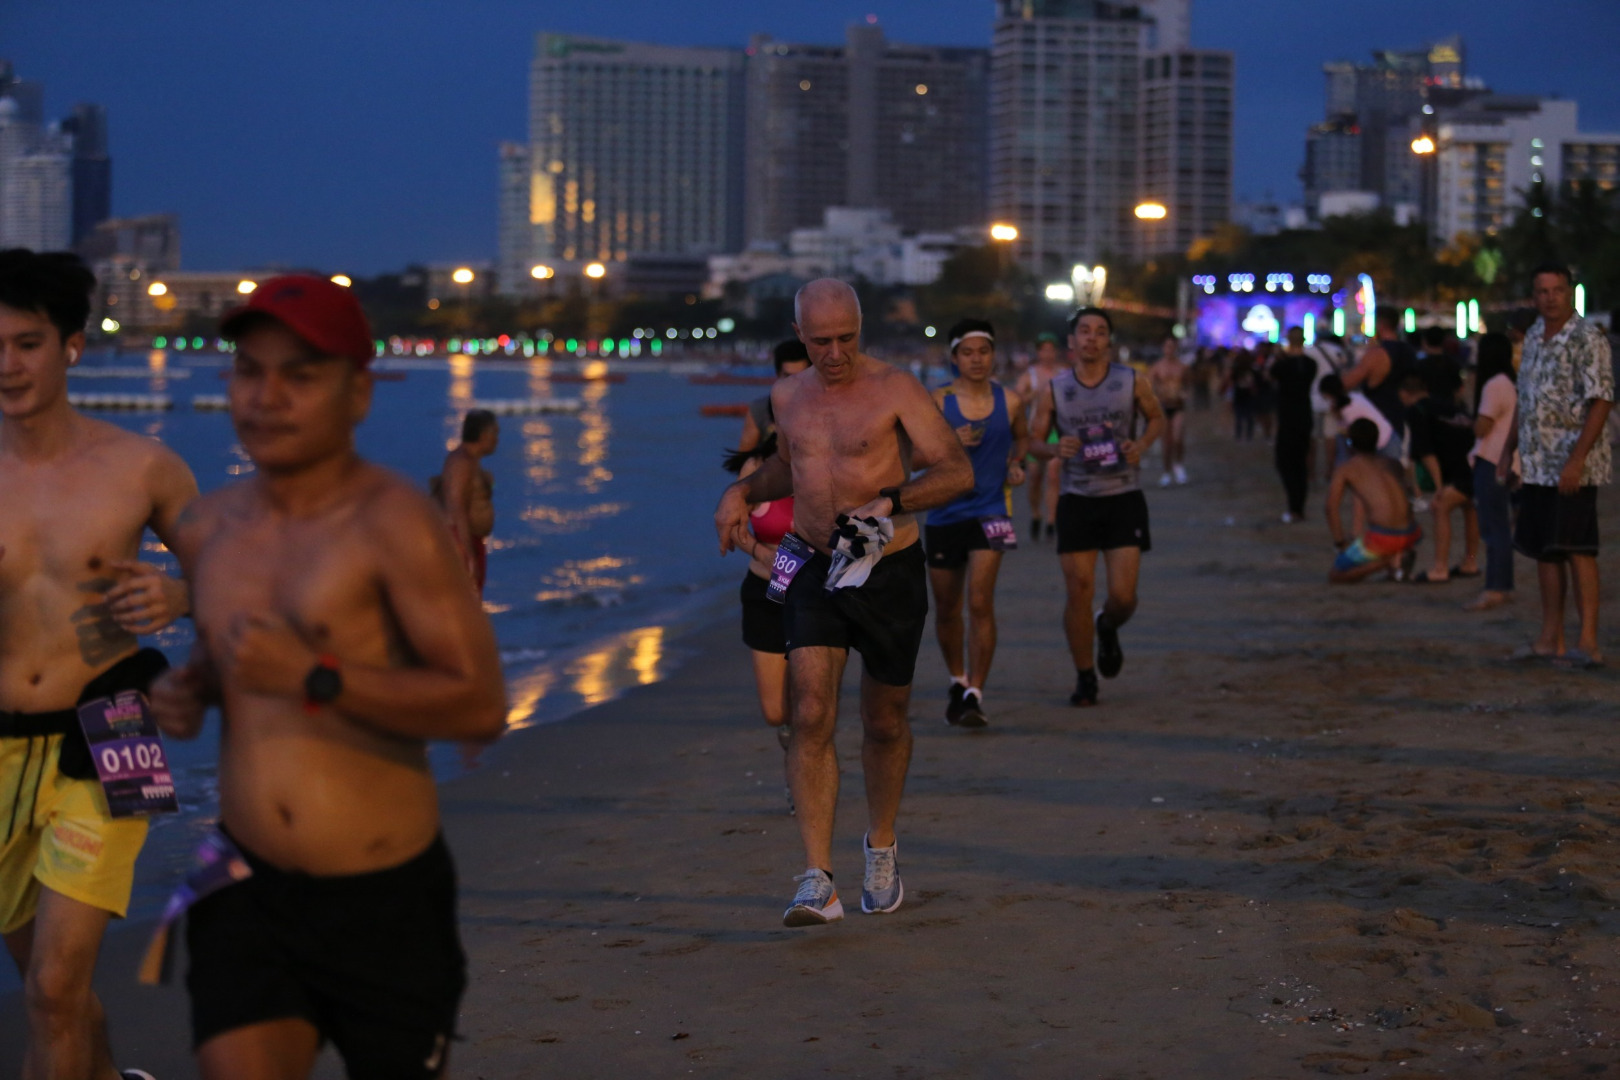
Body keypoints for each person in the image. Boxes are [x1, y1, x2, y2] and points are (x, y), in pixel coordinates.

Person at [148, 275, 507, 1077]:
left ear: (358, 395)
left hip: (381, 899)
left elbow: (480, 704)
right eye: (249, 370)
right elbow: (229, 661)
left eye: (300, 375)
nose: (267, 396)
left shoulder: (394, 525)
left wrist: (318, 677)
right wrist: (192, 689)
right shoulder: (208, 527)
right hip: (240, 881)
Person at [713, 279, 971, 927]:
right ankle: (816, 879)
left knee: (883, 722)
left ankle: (880, 846)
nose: (834, 353)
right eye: (821, 340)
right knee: (809, 711)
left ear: (862, 329)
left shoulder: (896, 389)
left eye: (846, 338)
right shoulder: (786, 396)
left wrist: (892, 499)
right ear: (800, 334)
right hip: (814, 563)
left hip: (887, 568)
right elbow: (789, 470)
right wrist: (739, 494)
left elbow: (954, 470)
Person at [0, 249, 198, 1080]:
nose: (6, 364)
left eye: (27, 342)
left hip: (113, 728)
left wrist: (179, 599)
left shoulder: (140, 467)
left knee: (51, 988)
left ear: (72, 347)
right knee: (57, 993)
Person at [1031, 307, 1165, 708]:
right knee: (1079, 590)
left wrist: (1140, 445)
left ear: (1110, 341)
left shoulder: (1131, 381)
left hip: (1123, 495)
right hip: (1076, 498)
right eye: (1084, 332)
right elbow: (1033, 444)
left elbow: (1156, 418)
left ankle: (1107, 626)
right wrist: (1055, 448)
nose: (1091, 338)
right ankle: (1085, 677)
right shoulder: (1054, 388)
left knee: (1124, 597)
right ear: (1071, 341)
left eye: (1100, 332)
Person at [1497, 264, 1615, 667]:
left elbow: (1601, 400)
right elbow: (1524, 400)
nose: (1550, 297)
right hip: (1536, 463)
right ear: (1534, 296)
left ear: (1570, 293)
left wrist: (1577, 460)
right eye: (1542, 291)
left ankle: (1588, 642)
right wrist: (1508, 451)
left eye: (1557, 290)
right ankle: (1550, 639)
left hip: (1572, 464)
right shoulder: (1532, 336)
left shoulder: (1588, 339)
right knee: (1544, 551)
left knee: (1578, 549)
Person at [925, 319, 1029, 728]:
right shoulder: (937, 402)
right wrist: (951, 445)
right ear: (954, 358)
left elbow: (1026, 439)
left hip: (993, 512)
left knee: (981, 601)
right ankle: (956, 677)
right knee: (948, 607)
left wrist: (1018, 464)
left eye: (983, 352)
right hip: (944, 514)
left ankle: (975, 692)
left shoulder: (1012, 400)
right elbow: (916, 452)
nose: (976, 360)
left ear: (993, 355)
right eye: (967, 353)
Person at [722, 429, 796, 807]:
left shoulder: (827, 459)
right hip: (766, 590)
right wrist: (758, 551)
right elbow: (732, 525)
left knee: (813, 701)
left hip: (818, 595)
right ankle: (797, 749)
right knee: (776, 711)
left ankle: (803, 774)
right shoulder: (755, 468)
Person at [1400, 375, 1479, 584]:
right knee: (1471, 510)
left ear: (1404, 393)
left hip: (1456, 471)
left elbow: (1426, 452)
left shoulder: (1416, 411)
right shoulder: (1449, 407)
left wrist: (1439, 487)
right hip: (1475, 466)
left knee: (1441, 507)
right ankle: (1470, 563)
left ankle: (1440, 568)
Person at [1327, 418, 1423, 583]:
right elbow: (1408, 495)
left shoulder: (1346, 469)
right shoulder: (1392, 463)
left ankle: (1388, 562)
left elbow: (1330, 508)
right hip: (1412, 533)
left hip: (1383, 538)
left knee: (1336, 574)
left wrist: (1340, 543)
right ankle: (1399, 557)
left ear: (1351, 442)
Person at [1466, 332, 1518, 612]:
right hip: (1503, 460)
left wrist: (1470, 423)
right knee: (1500, 526)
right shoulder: (1508, 382)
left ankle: (1496, 588)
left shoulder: (1493, 385)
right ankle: (1503, 585)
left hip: (1491, 459)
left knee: (1492, 527)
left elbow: (1482, 426)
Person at [435, 408, 499, 595]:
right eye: (495, 433)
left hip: (472, 539)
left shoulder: (472, 462)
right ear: (484, 434)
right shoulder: (461, 462)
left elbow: (481, 496)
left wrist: (491, 484)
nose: (497, 439)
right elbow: (456, 507)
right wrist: (467, 554)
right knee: (466, 600)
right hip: (462, 540)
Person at [1014, 332, 1064, 538]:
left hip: (1057, 430)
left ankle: (1052, 519)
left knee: (1053, 474)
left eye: (1051, 350)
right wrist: (1033, 394)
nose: (1048, 354)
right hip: (1034, 430)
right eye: (1044, 350)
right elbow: (1015, 402)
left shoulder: (1064, 374)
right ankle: (1036, 514)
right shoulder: (1029, 376)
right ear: (1038, 352)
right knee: (1035, 476)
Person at [1342, 307, 1416, 440]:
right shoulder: (1409, 351)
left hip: (1378, 422)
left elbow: (1347, 383)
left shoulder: (1377, 354)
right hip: (1402, 419)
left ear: (1380, 323)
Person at [1271, 327, 1318, 523]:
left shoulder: (1282, 366)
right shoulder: (1311, 365)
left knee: (1285, 462)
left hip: (1287, 417)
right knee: (1300, 463)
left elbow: (1272, 376)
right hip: (1305, 416)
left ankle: (1294, 506)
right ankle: (1298, 507)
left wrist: (1280, 357)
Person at [737, 339, 811, 454]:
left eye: (801, 376)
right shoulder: (761, 409)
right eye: (788, 376)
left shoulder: (825, 409)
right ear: (778, 374)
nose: (794, 382)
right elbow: (743, 460)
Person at [1306, 332, 1349, 483]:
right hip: (1332, 397)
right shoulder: (1337, 350)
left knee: (1312, 438)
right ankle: (1330, 471)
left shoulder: (1308, 351)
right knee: (1330, 437)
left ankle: (1311, 473)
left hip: (1312, 398)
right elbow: (1344, 370)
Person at [1148, 337, 1190, 486]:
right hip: (1163, 407)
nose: (1169, 349)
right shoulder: (1157, 367)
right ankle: (1166, 471)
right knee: (1167, 442)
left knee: (1178, 438)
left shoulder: (1182, 367)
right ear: (1163, 348)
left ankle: (1178, 465)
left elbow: (1187, 385)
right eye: (1167, 346)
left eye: (1172, 346)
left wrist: (1184, 393)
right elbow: (1149, 387)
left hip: (1178, 406)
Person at [1224, 348, 1257, 441]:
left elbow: (1230, 383)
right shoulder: (1251, 370)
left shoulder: (1238, 370)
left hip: (1241, 394)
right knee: (1247, 417)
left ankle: (1240, 435)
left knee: (1240, 417)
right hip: (1245, 395)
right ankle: (1247, 435)